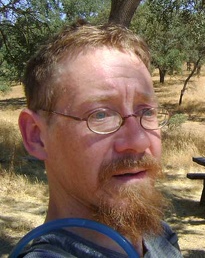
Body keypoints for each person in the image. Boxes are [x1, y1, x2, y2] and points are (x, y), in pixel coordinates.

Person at [16, 20, 182, 257]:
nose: (139, 141)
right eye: (101, 114)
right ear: (36, 136)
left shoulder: (160, 237)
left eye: (146, 111)